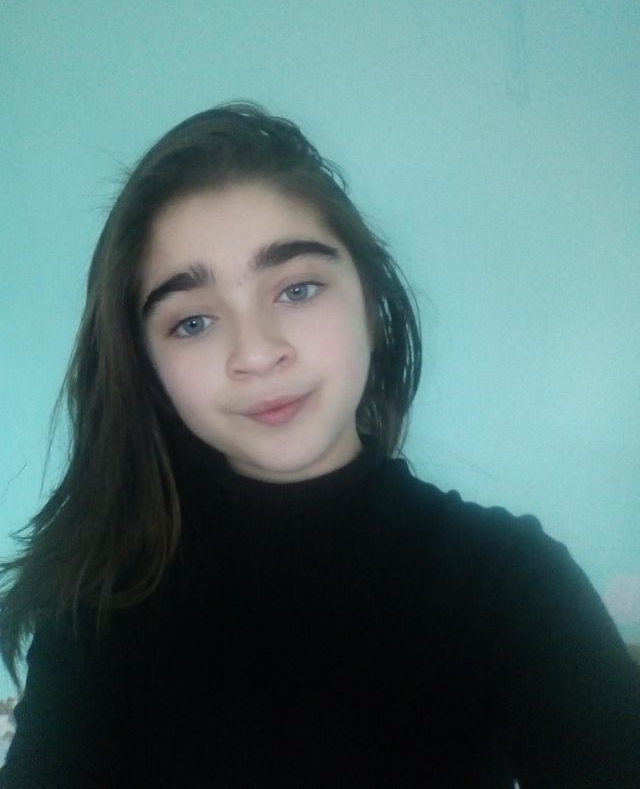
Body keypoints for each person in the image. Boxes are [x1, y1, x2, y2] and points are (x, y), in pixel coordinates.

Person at [0, 102, 638, 789]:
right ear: (148, 367)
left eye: (298, 288)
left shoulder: (511, 579)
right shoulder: (100, 604)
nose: (256, 352)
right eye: (192, 322)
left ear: (370, 301)